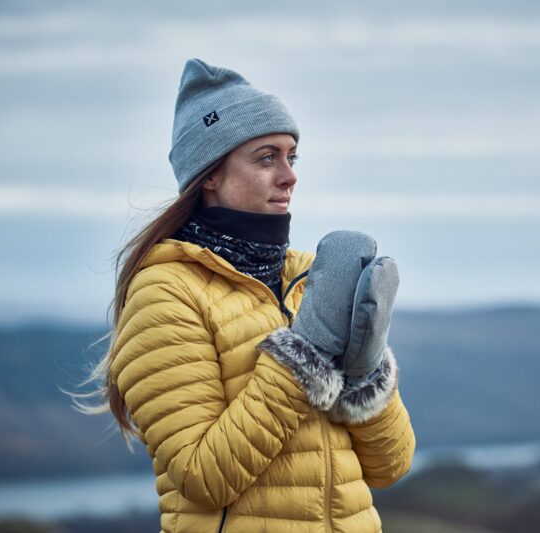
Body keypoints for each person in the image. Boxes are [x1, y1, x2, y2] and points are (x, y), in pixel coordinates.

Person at [79, 58, 415, 533]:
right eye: (266, 158)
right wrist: (305, 358)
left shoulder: (309, 281)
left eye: (292, 157)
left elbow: (390, 467)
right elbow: (202, 478)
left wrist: (366, 372)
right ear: (209, 174)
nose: (289, 175)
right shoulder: (166, 293)